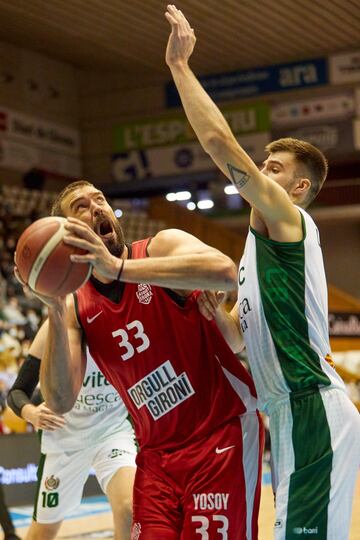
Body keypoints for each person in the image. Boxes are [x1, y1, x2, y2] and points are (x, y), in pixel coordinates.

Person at [164, 5, 360, 540]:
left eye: (272, 170)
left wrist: (181, 68)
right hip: (289, 410)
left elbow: (221, 146)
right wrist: (218, 319)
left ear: (297, 190)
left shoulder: (290, 220)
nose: (260, 174)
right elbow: (245, 341)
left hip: (310, 406)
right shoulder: (257, 254)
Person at [16, 179, 265, 540]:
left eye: (98, 199)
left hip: (218, 435)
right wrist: (54, 307)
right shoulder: (74, 307)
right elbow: (59, 399)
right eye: (80, 207)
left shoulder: (159, 247)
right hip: (156, 455)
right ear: (65, 235)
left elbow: (225, 272)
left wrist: (117, 269)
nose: (95, 207)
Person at [7, 321, 137, 540]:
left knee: (129, 508)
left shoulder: (122, 316)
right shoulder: (54, 325)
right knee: (43, 533)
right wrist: (31, 413)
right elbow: (18, 391)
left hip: (112, 432)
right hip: (64, 437)